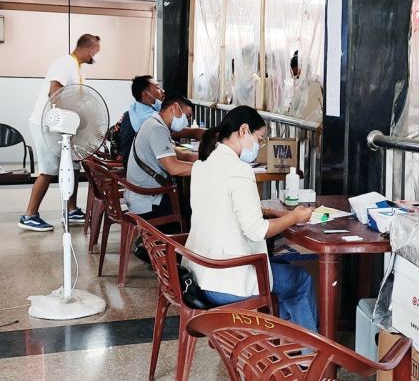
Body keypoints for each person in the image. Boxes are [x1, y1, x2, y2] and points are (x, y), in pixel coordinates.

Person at [186, 106, 317, 332]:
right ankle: (309, 358)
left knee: (285, 264)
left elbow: (221, 207)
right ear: (243, 131)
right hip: (227, 281)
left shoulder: (201, 164)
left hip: (199, 271)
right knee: (301, 280)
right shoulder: (239, 169)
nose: (259, 146)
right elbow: (257, 231)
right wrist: (295, 216)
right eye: (260, 139)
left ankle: (288, 345)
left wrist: (270, 212)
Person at [19, 34, 100, 232]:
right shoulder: (64, 63)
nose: (96, 55)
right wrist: (64, 121)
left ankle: (71, 210)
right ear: (88, 49)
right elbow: (54, 91)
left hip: (64, 127)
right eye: (96, 51)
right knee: (48, 170)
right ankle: (29, 215)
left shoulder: (76, 68)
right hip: (47, 125)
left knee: (73, 165)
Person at [125, 95, 196, 227]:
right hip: (148, 201)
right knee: (194, 207)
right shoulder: (157, 129)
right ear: (175, 108)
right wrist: (206, 168)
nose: (186, 122)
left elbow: (177, 154)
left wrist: (202, 158)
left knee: (188, 202)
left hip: (141, 194)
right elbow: (173, 167)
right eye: (187, 116)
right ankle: (177, 244)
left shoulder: (154, 123)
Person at [121, 76, 204, 167]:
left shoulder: (137, 109)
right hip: (139, 165)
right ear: (146, 94)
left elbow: (183, 155)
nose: (162, 90)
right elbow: (173, 167)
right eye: (157, 87)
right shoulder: (150, 122)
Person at [287, 51, 323, 123]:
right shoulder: (298, 87)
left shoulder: (317, 83)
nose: (296, 78)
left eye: (298, 74)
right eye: (295, 76)